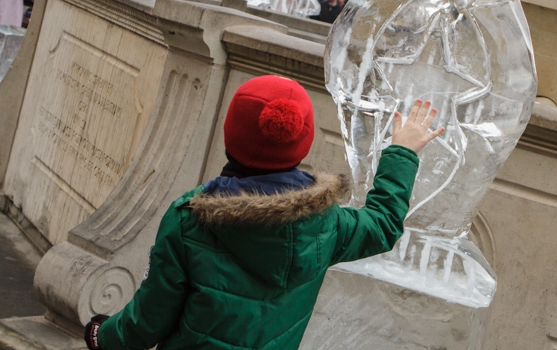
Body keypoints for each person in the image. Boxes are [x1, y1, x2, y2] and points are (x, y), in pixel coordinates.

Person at [82, 76, 443, 350]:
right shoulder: (327, 224)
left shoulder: (190, 219)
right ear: (301, 142)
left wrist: (102, 334)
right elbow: (383, 224)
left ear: (230, 135)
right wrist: (401, 152)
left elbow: (147, 321)